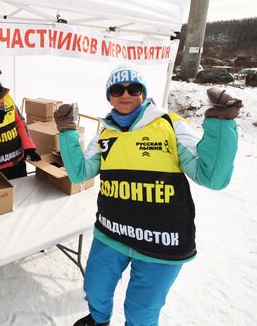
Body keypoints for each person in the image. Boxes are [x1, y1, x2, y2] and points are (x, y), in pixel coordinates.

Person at [54, 65, 242, 326]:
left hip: (162, 243)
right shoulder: (105, 131)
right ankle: (98, 320)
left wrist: (221, 122)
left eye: (134, 88)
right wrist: (66, 132)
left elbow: (211, 176)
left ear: (143, 92)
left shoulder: (169, 124)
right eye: (117, 89)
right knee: (95, 289)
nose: (125, 94)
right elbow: (79, 173)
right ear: (109, 95)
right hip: (112, 233)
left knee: (140, 313)